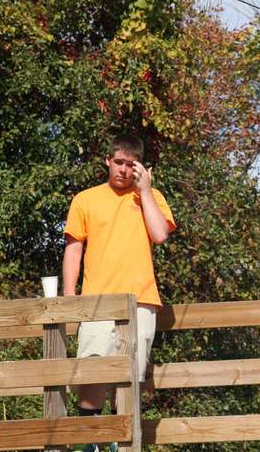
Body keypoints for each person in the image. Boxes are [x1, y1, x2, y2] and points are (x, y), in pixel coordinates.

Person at [63, 134, 176, 452]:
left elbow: (159, 234)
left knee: (130, 378)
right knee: (93, 372)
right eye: (119, 163)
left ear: (140, 167)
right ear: (107, 162)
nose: (124, 170)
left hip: (140, 300)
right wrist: (69, 296)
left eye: (131, 164)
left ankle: (121, 443)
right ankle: (90, 441)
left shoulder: (150, 196)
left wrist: (145, 191)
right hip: (96, 302)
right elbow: (73, 249)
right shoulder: (85, 199)